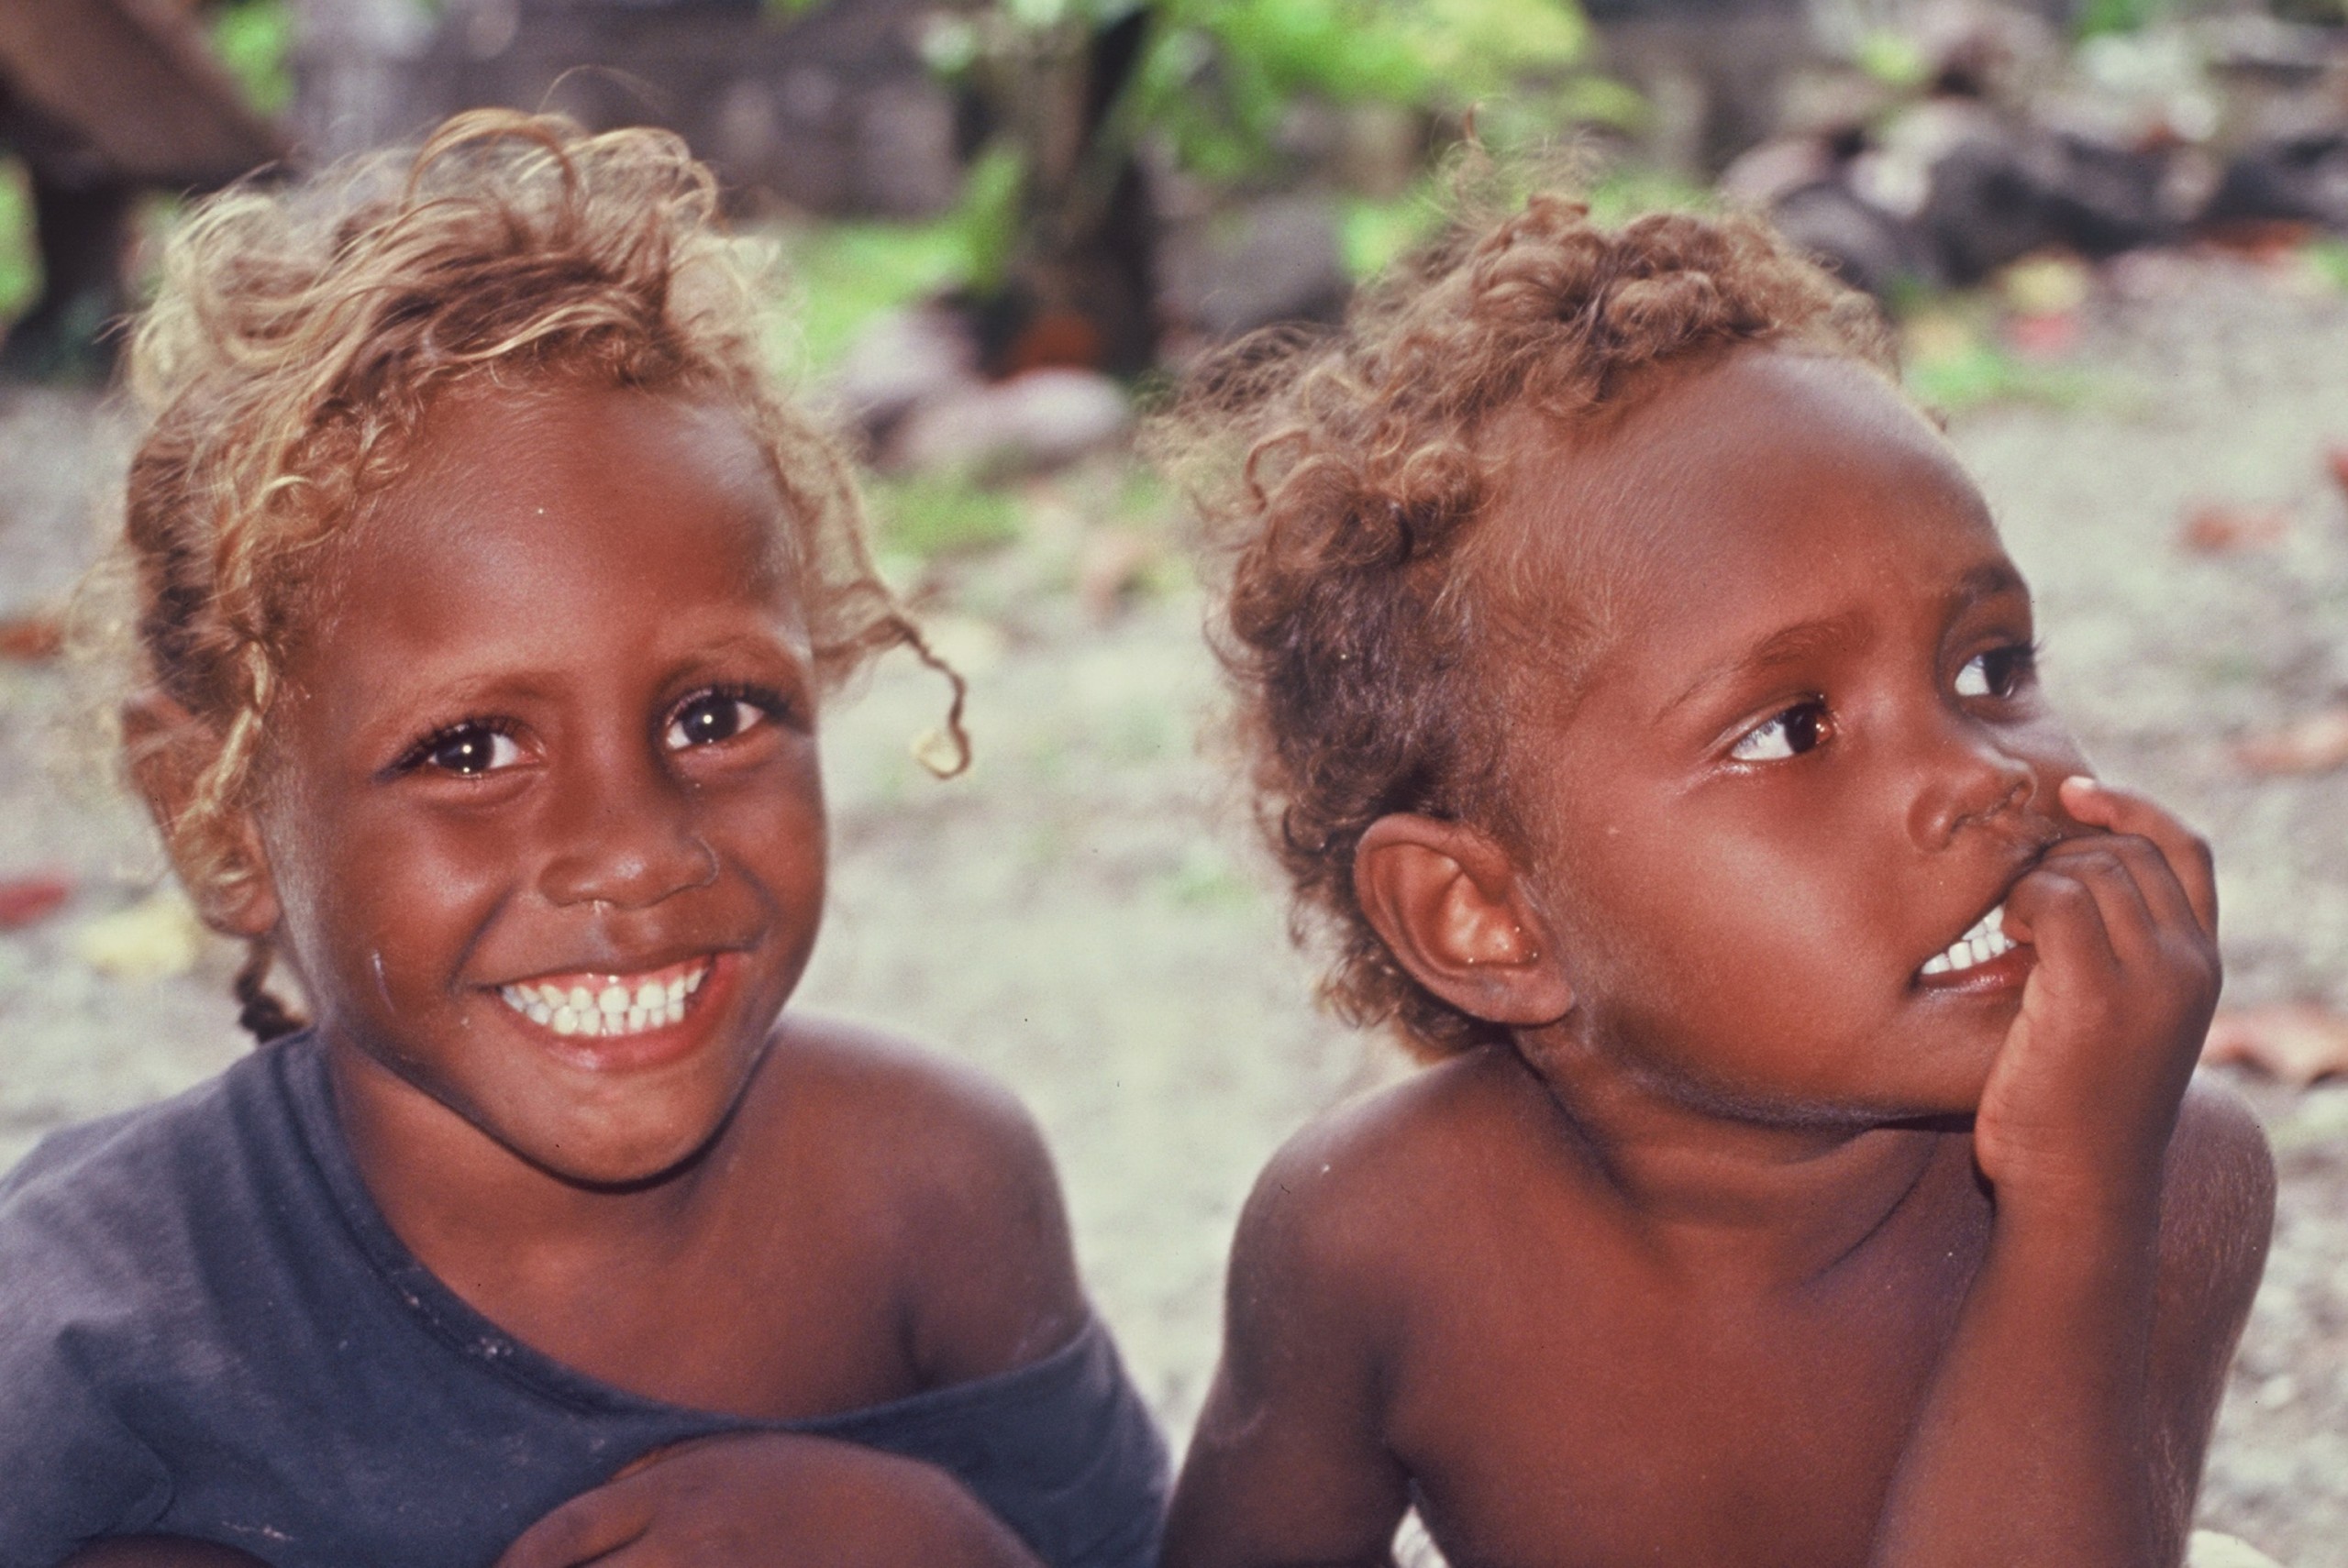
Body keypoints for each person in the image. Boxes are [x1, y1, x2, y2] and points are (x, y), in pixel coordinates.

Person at [0, 111, 1166, 1568]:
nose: (634, 849)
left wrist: (935, 1542)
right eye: (471, 748)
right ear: (217, 814)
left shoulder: (929, 1196)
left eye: (716, 716)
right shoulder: (94, 1328)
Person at [1153, 185, 2275, 1568]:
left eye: (1989, 666)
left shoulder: (2159, 1166)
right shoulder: (1374, 1240)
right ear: (1485, 916)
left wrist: (2075, 1202)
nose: (1980, 773)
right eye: (1792, 727)